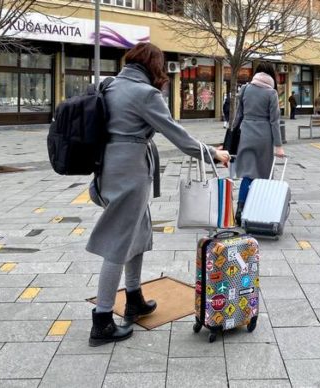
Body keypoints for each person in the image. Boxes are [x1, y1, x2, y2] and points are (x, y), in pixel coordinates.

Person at [86, 43, 230, 347]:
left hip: (108, 166)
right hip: (130, 172)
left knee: (136, 233)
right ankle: (101, 322)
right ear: (153, 65)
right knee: (118, 242)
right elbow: (177, 134)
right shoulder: (145, 94)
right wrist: (213, 154)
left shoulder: (110, 84)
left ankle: (134, 298)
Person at [232, 62, 284, 225]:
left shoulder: (245, 89)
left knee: (247, 174)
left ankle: (240, 209)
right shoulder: (271, 93)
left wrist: (232, 135)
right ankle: (259, 210)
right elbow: (275, 121)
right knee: (264, 175)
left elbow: (238, 115)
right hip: (264, 137)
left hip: (246, 133)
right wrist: (279, 145)